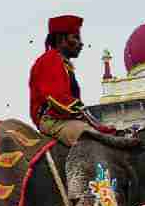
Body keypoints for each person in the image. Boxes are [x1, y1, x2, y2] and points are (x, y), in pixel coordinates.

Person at [28, 15, 116, 146]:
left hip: (64, 118)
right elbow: (56, 97)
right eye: (75, 37)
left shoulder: (63, 63)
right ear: (61, 39)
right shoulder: (50, 60)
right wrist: (85, 114)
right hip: (52, 120)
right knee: (91, 141)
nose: (81, 43)